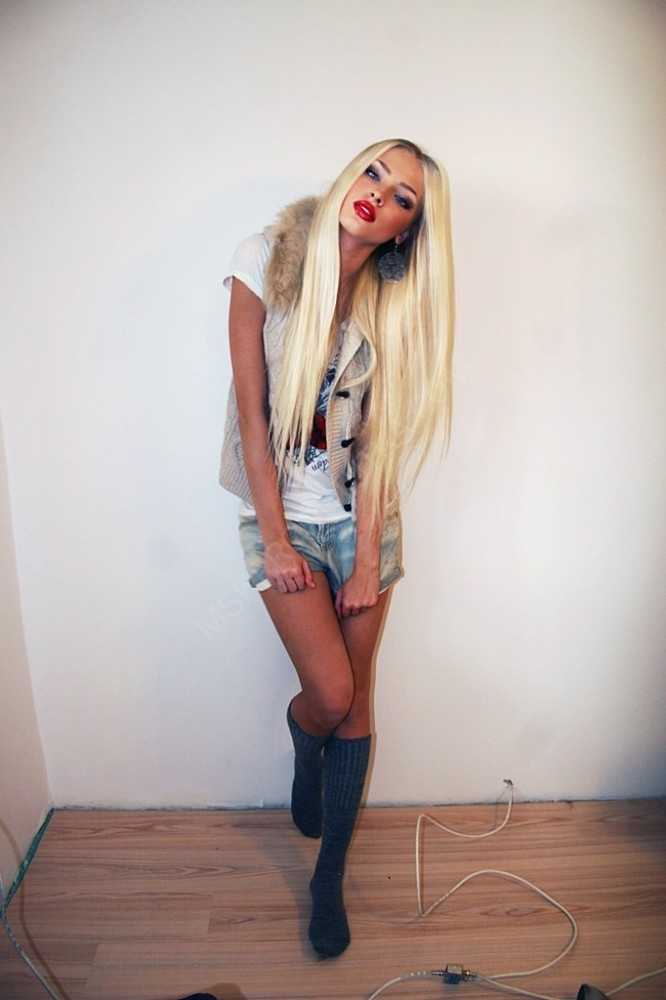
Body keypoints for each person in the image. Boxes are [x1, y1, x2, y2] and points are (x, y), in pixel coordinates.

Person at [219, 138, 454, 958]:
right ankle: (302, 744)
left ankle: (328, 878)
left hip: (362, 522)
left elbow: (381, 441)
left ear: (403, 232)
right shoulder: (266, 259)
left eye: (403, 199)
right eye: (375, 172)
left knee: (358, 702)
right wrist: (277, 540)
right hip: (280, 516)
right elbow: (251, 414)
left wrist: (362, 563)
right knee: (326, 693)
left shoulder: (391, 306)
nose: (380, 194)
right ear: (351, 174)